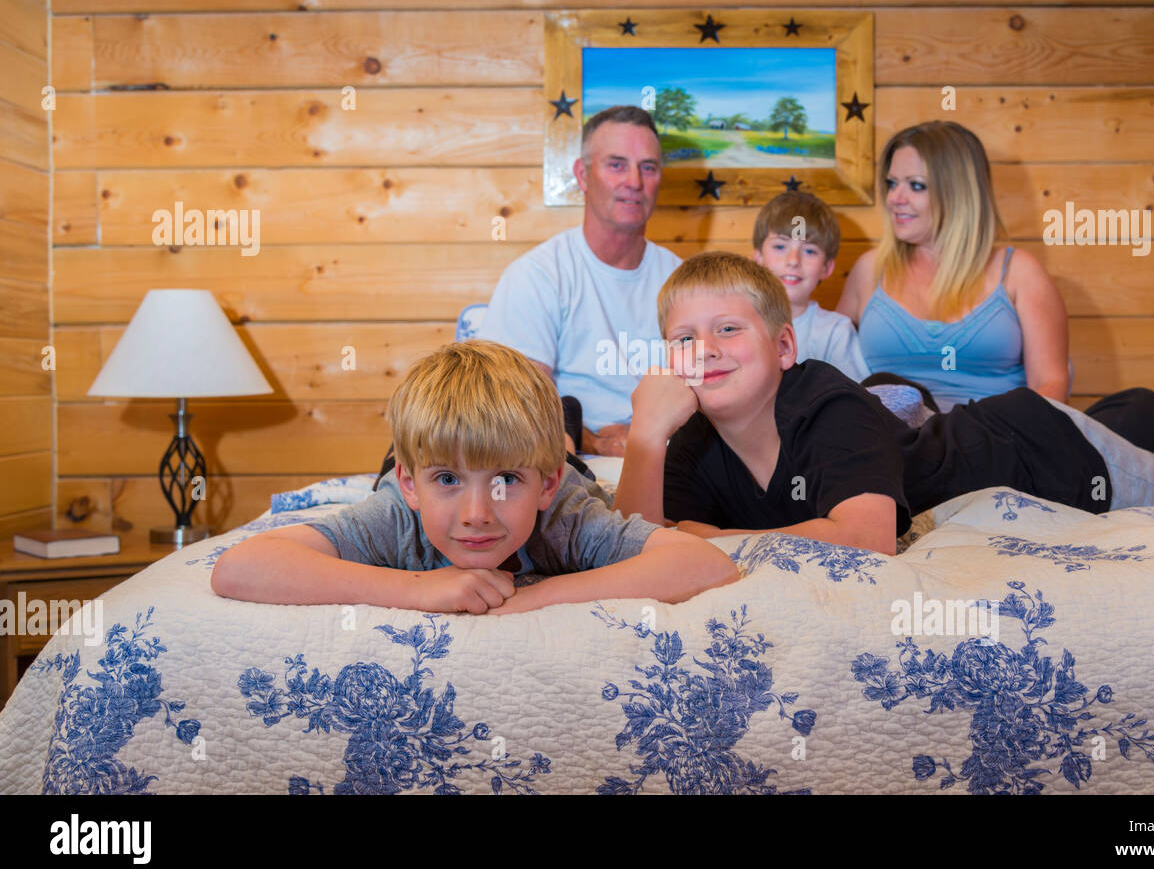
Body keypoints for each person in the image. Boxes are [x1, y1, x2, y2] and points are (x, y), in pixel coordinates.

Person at [614, 252, 1154, 557]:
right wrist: (646, 437)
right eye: (683, 338)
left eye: (729, 328)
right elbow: (642, 548)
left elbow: (866, 538)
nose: (705, 348)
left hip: (1032, 447)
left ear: (785, 345)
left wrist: (711, 539)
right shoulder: (691, 440)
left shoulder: (824, 398)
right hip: (987, 446)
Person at [211, 341, 738, 614]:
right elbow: (240, 566)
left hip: (561, 464)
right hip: (436, 463)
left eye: (505, 480)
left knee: (564, 451)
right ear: (411, 485)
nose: (477, 513)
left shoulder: (565, 513)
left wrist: (533, 598)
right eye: (446, 481)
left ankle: (564, 430)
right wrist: (419, 589)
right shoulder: (396, 512)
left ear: (545, 487)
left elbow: (702, 563)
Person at [836, 120, 1154, 454]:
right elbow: (825, 350)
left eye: (916, 185)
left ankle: (989, 469)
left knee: (1141, 409)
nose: (895, 197)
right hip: (900, 444)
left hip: (997, 440)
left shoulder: (1018, 272)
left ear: (959, 192)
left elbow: (1050, 385)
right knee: (886, 391)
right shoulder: (870, 270)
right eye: (892, 183)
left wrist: (994, 435)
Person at [477, 105, 680, 457]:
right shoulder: (538, 276)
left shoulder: (681, 280)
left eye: (647, 167)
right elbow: (512, 405)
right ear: (582, 176)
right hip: (565, 458)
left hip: (670, 456)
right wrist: (599, 442)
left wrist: (648, 437)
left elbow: (713, 389)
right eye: (616, 165)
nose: (634, 181)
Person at [752, 190, 869, 382]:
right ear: (758, 258)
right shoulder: (735, 324)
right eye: (780, 247)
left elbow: (856, 401)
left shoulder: (835, 331)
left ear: (827, 267)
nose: (793, 261)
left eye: (809, 251)